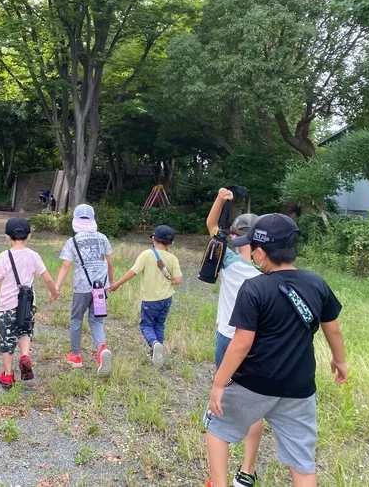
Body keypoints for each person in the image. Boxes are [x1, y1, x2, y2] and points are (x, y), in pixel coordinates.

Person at [204, 214, 348, 487]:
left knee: (217, 427)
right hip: (299, 387)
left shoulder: (254, 287)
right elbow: (334, 329)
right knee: (303, 462)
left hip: (254, 382)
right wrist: (340, 362)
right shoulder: (317, 283)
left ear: (259, 254)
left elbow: (242, 343)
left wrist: (219, 383)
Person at [205, 188, 263, 486]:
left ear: (236, 234)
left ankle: (219, 476)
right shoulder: (268, 271)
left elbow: (212, 227)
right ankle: (247, 470)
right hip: (257, 342)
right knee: (255, 403)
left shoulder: (227, 261)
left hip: (228, 337)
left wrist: (220, 198)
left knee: (223, 398)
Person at [0, 217, 59, 389]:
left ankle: (8, 375)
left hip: (7, 306)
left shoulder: (3, 257)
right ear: (29, 236)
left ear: (7, 236)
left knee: (7, 341)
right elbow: (48, 278)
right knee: (25, 331)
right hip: (27, 305)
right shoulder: (33, 256)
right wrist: (54, 293)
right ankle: (25, 355)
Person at [110, 225, 182, 368]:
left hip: (150, 299)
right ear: (171, 243)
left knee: (146, 324)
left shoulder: (147, 254)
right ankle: (156, 351)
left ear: (153, 239)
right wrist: (170, 280)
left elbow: (133, 272)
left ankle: (154, 344)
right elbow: (178, 280)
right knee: (159, 324)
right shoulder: (173, 258)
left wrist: (117, 284)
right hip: (167, 299)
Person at [56, 204, 114, 377]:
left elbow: (66, 265)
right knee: (97, 321)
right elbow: (109, 263)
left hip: (82, 287)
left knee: (76, 319)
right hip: (100, 287)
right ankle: (101, 349)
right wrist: (111, 282)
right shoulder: (103, 238)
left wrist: (56, 287)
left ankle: (75, 356)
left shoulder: (73, 241)